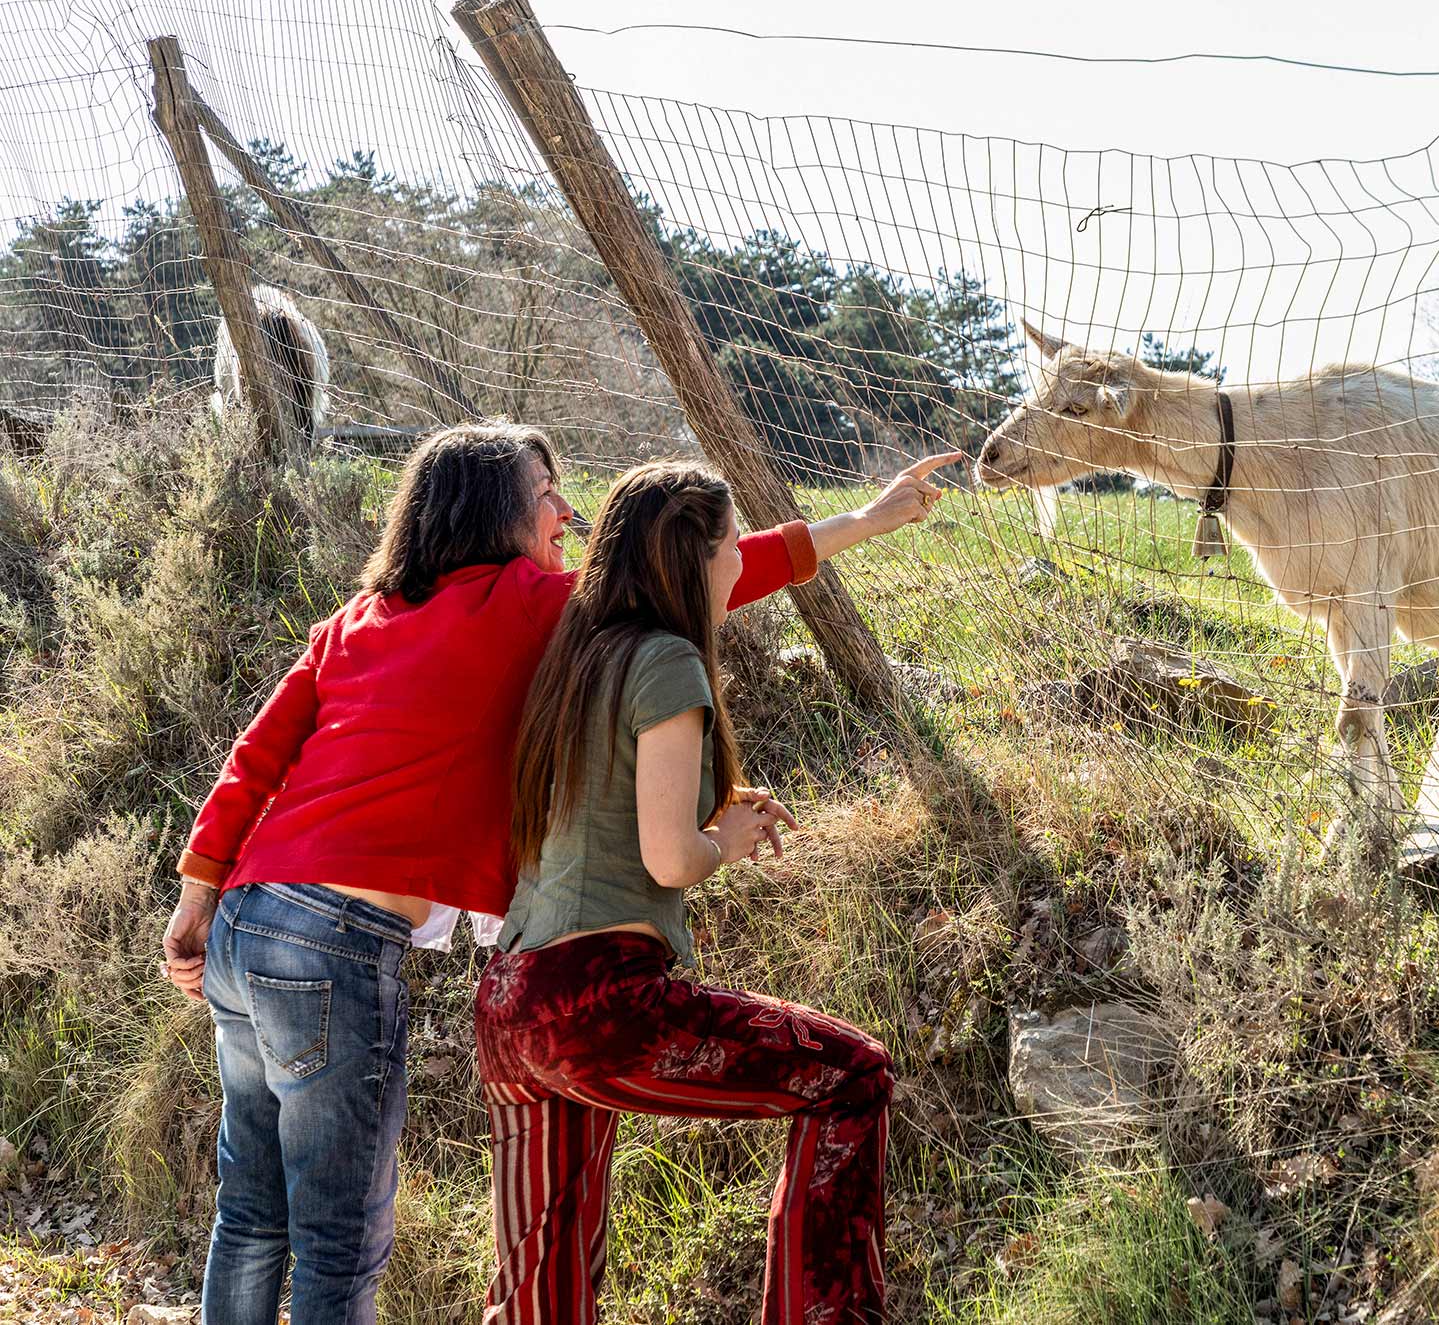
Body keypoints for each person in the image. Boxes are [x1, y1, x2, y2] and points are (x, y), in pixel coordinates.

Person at [159, 422, 956, 1325]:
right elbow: (692, 575)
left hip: (251, 921)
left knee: (255, 1213)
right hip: (354, 944)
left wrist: (195, 903)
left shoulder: (354, 622)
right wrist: (867, 520)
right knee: (341, 1234)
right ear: (498, 511)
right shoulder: (531, 603)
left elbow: (255, 756)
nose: (567, 512)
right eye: (548, 492)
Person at [476, 461, 895, 1325]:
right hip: (600, 999)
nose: (741, 559)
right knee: (853, 1075)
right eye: (732, 543)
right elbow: (670, 859)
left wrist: (711, 809)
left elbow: (611, 806)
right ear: (692, 559)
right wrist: (724, 840)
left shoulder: (577, 654)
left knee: (542, 1285)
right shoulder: (668, 661)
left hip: (511, 1005)